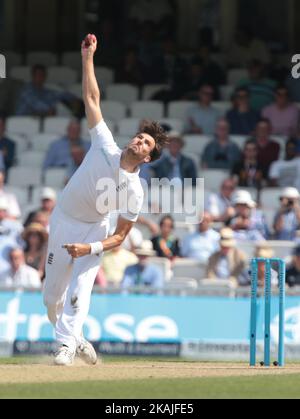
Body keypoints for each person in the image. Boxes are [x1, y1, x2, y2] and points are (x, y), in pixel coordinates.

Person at [43, 34, 169, 367]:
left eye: (145, 144)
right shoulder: (104, 144)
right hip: (64, 220)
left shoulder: (135, 190)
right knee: (51, 298)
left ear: (147, 158)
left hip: (95, 231)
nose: (139, 142)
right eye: (140, 137)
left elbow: (121, 236)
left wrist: (90, 248)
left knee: (80, 289)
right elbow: (92, 97)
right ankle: (76, 338)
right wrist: (87, 56)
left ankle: (64, 347)